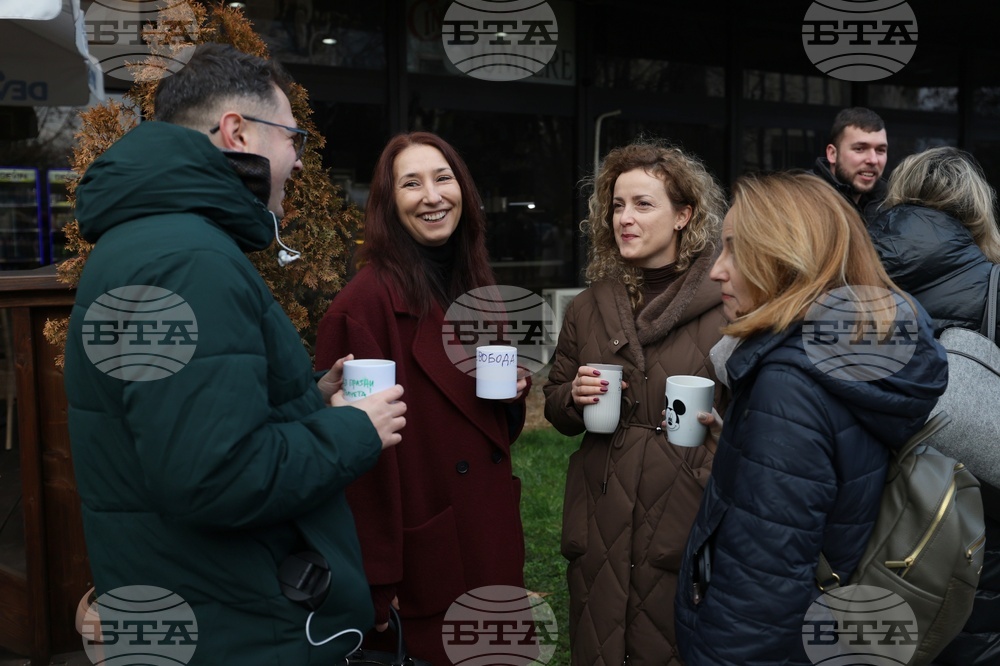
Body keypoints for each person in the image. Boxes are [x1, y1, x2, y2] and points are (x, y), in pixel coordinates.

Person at [63, 43, 407, 665]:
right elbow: (215, 476)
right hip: (243, 629)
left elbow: (183, 424)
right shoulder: (187, 260)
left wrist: (306, 398)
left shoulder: (151, 239)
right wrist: (353, 430)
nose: (297, 163)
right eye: (293, 139)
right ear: (237, 131)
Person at [674, 172, 948, 665]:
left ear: (785, 258)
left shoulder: (788, 383)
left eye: (735, 250)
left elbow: (761, 594)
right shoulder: (855, 353)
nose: (717, 271)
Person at [314, 131, 531, 665]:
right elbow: (356, 461)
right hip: (424, 565)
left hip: (485, 537)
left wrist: (510, 397)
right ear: (388, 205)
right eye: (411, 183)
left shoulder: (476, 287)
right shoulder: (362, 306)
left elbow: (485, 431)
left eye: (443, 178)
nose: (432, 196)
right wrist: (374, 580)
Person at [543, 141, 727, 666]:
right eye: (618, 205)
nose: (625, 218)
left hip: (682, 510)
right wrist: (573, 397)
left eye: (643, 205)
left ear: (683, 216)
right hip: (601, 515)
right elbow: (555, 404)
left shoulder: (728, 306)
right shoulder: (588, 306)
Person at [867, 146, 1000, 665]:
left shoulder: (853, 276)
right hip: (982, 546)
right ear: (978, 208)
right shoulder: (993, 284)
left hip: (874, 534)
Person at [812, 106, 888, 224]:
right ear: (832, 154)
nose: (873, 160)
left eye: (880, 150)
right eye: (859, 149)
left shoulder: (891, 207)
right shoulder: (801, 203)